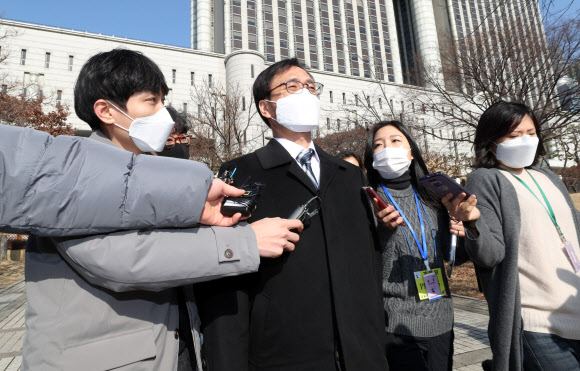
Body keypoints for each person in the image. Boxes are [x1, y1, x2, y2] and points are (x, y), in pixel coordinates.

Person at [10, 49, 302, 371]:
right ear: (106, 111)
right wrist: (246, 243)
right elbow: (120, 259)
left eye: (163, 100)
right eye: (152, 101)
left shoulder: (151, 172)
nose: (164, 113)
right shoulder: (77, 174)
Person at [196, 58, 388, 371]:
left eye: (312, 87)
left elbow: (368, 262)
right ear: (266, 108)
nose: (306, 93)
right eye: (292, 86)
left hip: (361, 350)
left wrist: (376, 334)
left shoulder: (349, 175)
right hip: (283, 353)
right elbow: (224, 282)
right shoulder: (240, 172)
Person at [463, 101, 580, 371]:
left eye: (531, 133)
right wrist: (472, 222)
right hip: (537, 322)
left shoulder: (548, 176)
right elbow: (490, 254)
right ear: (491, 142)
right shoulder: (485, 179)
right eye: (514, 136)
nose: (525, 141)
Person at [363, 121, 480, 371]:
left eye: (396, 141)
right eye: (378, 145)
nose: (387, 148)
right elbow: (363, 265)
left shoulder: (434, 197)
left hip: (441, 318)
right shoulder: (367, 201)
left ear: (411, 151)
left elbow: (456, 257)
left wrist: (466, 227)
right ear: (371, 157)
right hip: (395, 323)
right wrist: (383, 230)